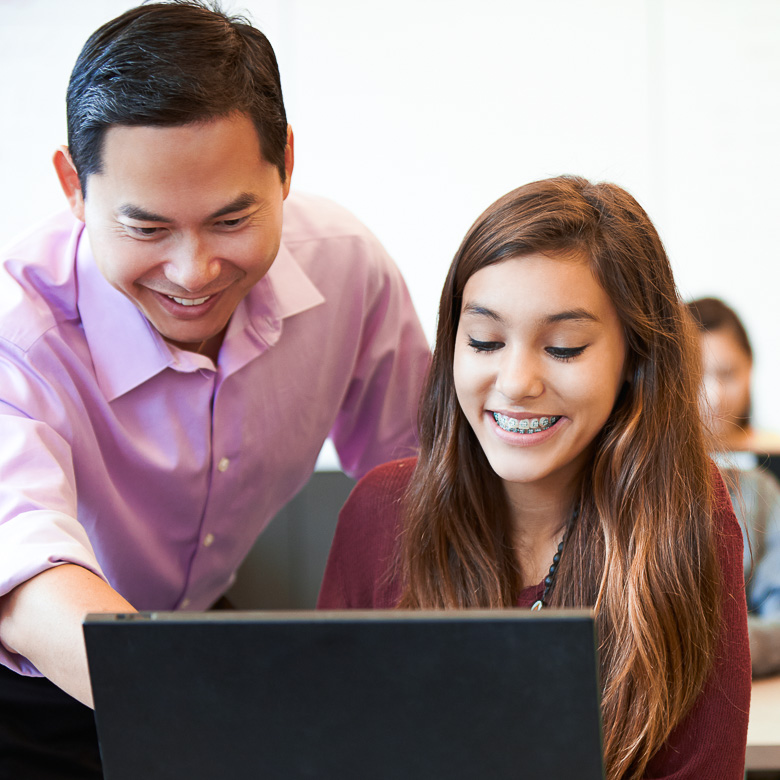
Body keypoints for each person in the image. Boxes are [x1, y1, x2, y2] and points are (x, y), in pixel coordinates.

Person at [0, 2, 429, 777]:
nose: (193, 273)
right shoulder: (16, 329)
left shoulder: (346, 270)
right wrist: (238, 712)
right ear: (73, 185)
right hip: (37, 672)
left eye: (232, 220)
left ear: (287, 163)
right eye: (146, 229)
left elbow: (419, 482)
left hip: (192, 636)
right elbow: (28, 576)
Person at [319, 176, 751, 779]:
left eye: (566, 347)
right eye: (485, 340)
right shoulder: (380, 510)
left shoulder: (686, 514)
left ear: (635, 359)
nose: (516, 381)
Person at [688, 296, 780, 677]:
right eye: (694, 377)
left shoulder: (761, 489)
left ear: (750, 371)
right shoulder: (630, 483)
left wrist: (698, 648)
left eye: (727, 374)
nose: (713, 396)